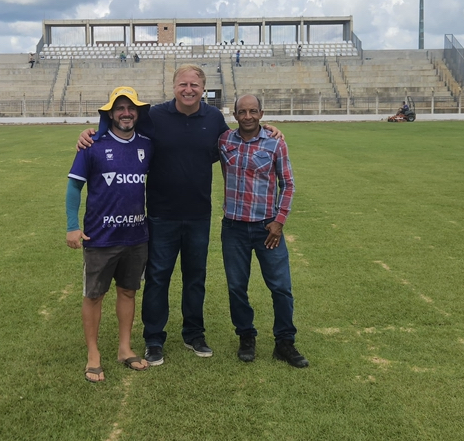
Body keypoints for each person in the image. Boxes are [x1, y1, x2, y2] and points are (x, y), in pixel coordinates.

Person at [78, 65, 283, 365]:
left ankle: (193, 333)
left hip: (199, 214)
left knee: (195, 277)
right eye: (183, 84)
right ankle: (154, 339)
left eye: (194, 85)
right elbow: (123, 125)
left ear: (203, 88)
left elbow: (238, 140)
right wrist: (91, 133)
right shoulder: (156, 117)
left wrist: (270, 130)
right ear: (173, 86)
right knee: (158, 278)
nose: (189, 89)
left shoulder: (213, 119)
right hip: (161, 214)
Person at [66, 86, 153, 382]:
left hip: (136, 236)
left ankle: (125, 349)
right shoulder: (92, 145)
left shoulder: (147, 144)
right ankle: (93, 354)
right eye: (120, 108)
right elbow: (73, 187)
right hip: (99, 238)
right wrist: (72, 225)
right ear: (110, 113)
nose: (126, 113)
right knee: (94, 295)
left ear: (137, 113)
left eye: (131, 108)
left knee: (128, 292)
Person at [218, 94, 308, 368]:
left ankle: (285, 342)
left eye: (253, 111)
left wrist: (279, 222)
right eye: (242, 112)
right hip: (233, 227)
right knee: (236, 288)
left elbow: (288, 184)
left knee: (280, 287)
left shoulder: (275, 142)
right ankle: (246, 336)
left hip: (268, 228)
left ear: (261, 113)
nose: (248, 117)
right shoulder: (224, 141)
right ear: (235, 115)